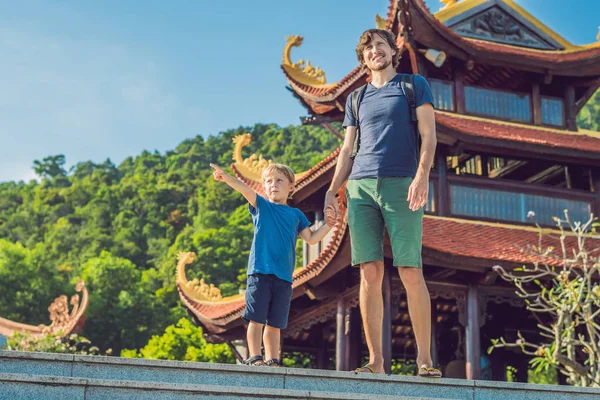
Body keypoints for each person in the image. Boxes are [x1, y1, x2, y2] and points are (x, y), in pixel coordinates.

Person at [323, 29, 441, 377]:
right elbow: (347, 151)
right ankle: (375, 362)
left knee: (409, 268)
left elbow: (429, 136)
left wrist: (421, 176)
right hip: (360, 187)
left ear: (392, 51)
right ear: (363, 59)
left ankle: (424, 360)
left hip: (401, 183)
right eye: (368, 48)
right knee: (369, 271)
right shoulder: (356, 98)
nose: (375, 51)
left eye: (380, 45)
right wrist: (332, 189)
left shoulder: (413, 85)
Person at [211, 162, 335, 367]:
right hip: (260, 272)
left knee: (275, 323)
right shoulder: (261, 205)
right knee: (256, 318)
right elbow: (244, 189)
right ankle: (254, 357)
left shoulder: (296, 215)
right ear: (264, 186)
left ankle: (273, 359)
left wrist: (330, 224)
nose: (273, 185)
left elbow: (312, 238)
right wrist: (226, 178)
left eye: (279, 181)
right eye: (269, 181)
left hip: (284, 277)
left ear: (291, 186)